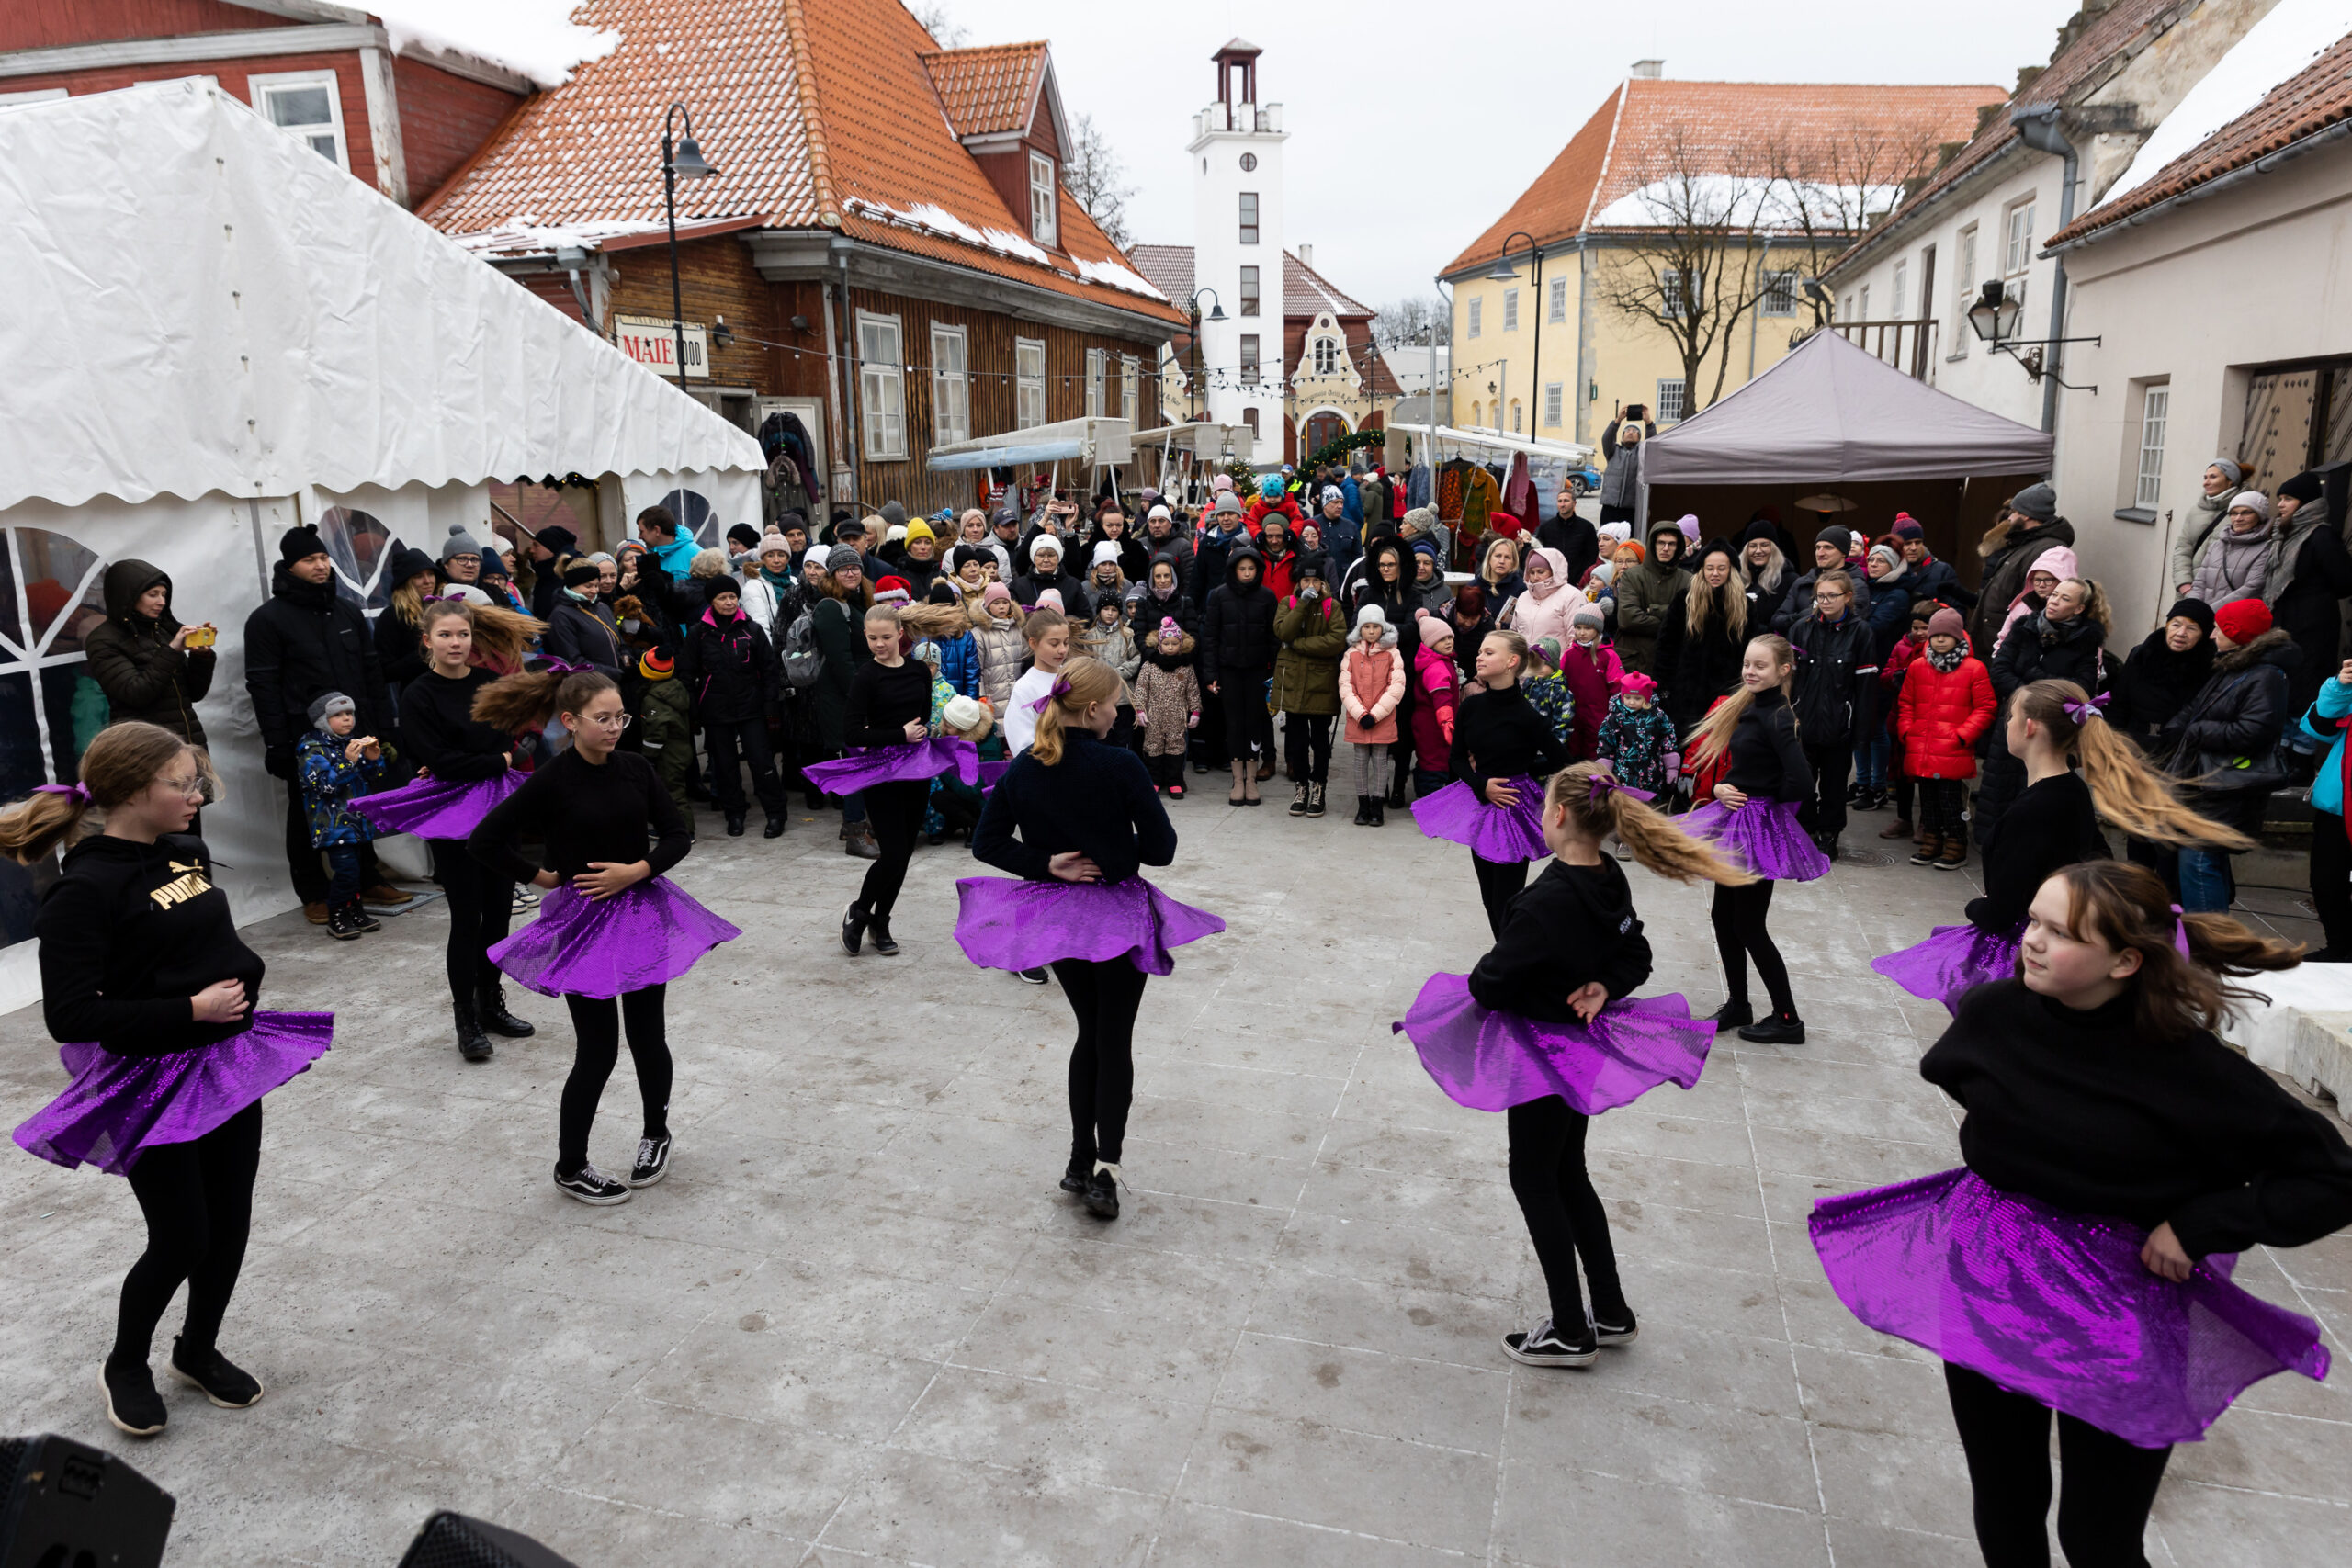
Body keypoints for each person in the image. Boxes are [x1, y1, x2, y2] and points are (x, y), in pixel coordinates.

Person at [1812, 860, 2350, 1568]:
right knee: (2006, 1498)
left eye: (2058, 932)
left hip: (2123, 1300)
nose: (2031, 939)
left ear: (2125, 960)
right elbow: (1961, 1078)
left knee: (2097, 1536)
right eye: (2033, 919)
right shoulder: (1995, 1011)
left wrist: (2201, 1223)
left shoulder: (2189, 1065)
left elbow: (2330, 1177)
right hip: (1992, 1270)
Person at [7, 722, 331, 1437]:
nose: (197, 794)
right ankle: (127, 1362)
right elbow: (70, 1015)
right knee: (183, 1233)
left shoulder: (185, 850)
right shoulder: (82, 892)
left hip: (222, 1062)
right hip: (147, 1081)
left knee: (231, 1219)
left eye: (196, 780)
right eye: (181, 783)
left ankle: (198, 1348)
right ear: (130, 791)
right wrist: (190, 1006)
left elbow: (195, 936)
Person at [1396, 762, 1749, 1365]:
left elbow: (1494, 980)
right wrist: (1605, 985)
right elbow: (1634, 949)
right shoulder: (1608, 876)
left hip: (1541, 1054)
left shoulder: (1545, 900)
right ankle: (1609, 1310)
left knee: (1534, 1177)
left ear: (1557, 815)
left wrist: (1478, 984)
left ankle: (1569, 1326)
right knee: (1567, 1173)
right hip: (1578, 1049)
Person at [959, 657, 1220, 1219]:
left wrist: (1047, 863)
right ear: (1097, 709)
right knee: (1113, 1038)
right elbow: (1162, 850)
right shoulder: (1120, 764)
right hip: (1117, 917)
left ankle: (1079, 1161)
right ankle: (1105, 1170)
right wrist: (1115, 841)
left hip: (1059, 918)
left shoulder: (1027, 765)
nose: (1119, 712)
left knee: (1089, 1033)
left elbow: (988, 843)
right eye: (1118, 703)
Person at [469, 670, 737, 1205]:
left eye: (621, 717)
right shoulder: (551, 779)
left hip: (641, 915)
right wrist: (541, 877)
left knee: (647, 1034)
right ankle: (571, 1165)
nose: (615, 727)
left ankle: (655, 1134)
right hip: (582, 923)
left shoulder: (636, 769)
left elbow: (679, 833)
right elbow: (484, 840)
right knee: (597, 1050)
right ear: (569, 722)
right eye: (603, 719)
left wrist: (637, 870)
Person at [1879, 678, 2253, 1011]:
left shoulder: (2039, 807)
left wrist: (1977, 907)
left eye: (2010, 717)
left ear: (2029, 728)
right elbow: (2092, 859)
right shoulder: (2068, 791)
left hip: (2032, 952)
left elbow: (2007, 906)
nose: (2005, 725)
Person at [243, 525, 401, 922]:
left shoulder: (345, 609)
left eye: (325, 557)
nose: (321, 565)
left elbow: (371, 670)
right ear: (290, 566)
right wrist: (277, 743)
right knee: (306, 810)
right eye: (310, 559)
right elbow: (262, 683)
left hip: (355, 728)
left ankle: (368, 877)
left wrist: (384, 725)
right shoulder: (267, 620)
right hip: (304, 736)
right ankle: (314, 891)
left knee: (360, 801)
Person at [1679, 635, 1826, 1041]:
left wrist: (1759, 799)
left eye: (1760, 666)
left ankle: (1787, 1019)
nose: (1750, 671)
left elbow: (1800, 782)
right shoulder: (1752, 709)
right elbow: (1754, 765)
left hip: (1756, 830)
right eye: (1747, 663)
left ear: (1783, 670)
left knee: (1748, 924)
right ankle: (1739, 1004)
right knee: (1723, 918)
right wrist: (1727, 786)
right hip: (1739, 821)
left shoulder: (1777, 715)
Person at [1418, 631, 1571, 934]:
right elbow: (1457, 759)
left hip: (1513, 808)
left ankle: (1510, 964)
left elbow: (1559, 759)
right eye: (1480, 652)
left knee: (1507, 899)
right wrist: (1480, 784)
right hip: (1480, 804)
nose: (1479, 657)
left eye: (1489, 652)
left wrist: (1525, 773)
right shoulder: (1472, 707)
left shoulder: (1528, 716)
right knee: (1489, 898)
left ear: (1512, 662)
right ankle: (1506, 960)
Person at [2160, 596, 2295, 912]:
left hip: (2226, 785)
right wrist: (2176, 727)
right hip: (2207, 780)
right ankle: (2211, 939)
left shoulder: (2265, 676)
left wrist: (2195, 731)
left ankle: (2210, 941)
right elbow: (2197, 708)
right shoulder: (2233, 664)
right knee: (2201, 859)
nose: (2211, 635)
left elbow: (2254, 731)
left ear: (2237, 633)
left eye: (2218, 628)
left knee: (2200, 860)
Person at [1979, 575, 2108, 847]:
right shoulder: (2024, 626)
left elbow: (2080, 688)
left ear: (2079, 608)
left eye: (2064, 598)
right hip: (2013, 720)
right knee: (2000, 784)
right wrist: (2030, 696)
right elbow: (2000, 670)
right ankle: (1996, 843)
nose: (2054, 601)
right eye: (2054, 594)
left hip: (2050, 730)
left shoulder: (2086, 640)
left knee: (2037, 790)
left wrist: (2031, 679)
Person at [682, 576, 786, 839]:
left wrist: (771, 704)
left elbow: (769, 669)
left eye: (732, 596)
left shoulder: (751, 629)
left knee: (762, 763)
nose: (729, 602)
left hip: (751, 706)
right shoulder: (699, 633)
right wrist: (693, 710)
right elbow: (686, 673)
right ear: (712, 602)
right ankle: (734, 814)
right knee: (725, 767)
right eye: (722, 598)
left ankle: (775, 813)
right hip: (716, 709)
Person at [1890, 608, 1995, 870]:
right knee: (1927, 799)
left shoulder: (1974, 668)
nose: (1939, 640)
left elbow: (1986, 707)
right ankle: (1932, 839)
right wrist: (1907, 730)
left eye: (1947, 635)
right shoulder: (1918, 666)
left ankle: (1956, 842)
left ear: (1958, 637)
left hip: (1952, 747)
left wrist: (1963, 735)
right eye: (1936, 635)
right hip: (1922, 746)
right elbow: (1906, 703)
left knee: (1950, 800)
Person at [1783, 570, 1877, 857]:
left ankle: (1830, 833)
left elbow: (1866, 685)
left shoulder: (1861, 632)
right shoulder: (1802, 628)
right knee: (1803, 780)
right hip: (1804, 721)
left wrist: (1861, 731)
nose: (1825, 601)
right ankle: (1806, 829)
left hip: (1840, 723)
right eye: (1820, 596)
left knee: (1835, 784)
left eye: (1832, 596)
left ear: (1848, 597)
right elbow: (1789, 678)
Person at [84, 559, 217, 747]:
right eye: (153, 595)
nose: (161, 602)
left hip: (189, 741)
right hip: (147, 748)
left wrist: (200, 657)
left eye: (164, 594)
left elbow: (194, 693)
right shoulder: (103, 640)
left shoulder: (162, 630)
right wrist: (171, 650)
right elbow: (135, 694)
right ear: (129, 596)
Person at [294, 693, 386, 941]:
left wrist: (374, 760)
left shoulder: (349, 742)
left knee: (356, 871)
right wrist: (348, 762)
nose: (347, 719)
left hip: (356, 822)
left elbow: (371, 777)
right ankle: (336, 916)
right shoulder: (311, 747)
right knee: (346, 871)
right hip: (332, 824)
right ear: (323, 720)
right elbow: (324, 786)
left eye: (349, 713)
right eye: (338, 715)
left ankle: (356, 912)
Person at [809, 546, 877, 858]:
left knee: (861, 762)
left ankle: (856, 824)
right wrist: (860, 700)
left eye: (855, 567)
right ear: (832, 574)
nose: (851, 573)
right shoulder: (830, 608)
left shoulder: (853, 603)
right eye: (843, 569)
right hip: (843, 698)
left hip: (855, 694)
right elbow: (840, 660)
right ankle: (855, 833)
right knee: (857, 765)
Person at [1203, 546, 1279, 804]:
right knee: (1234, 724)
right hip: (1229, 671)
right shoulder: (1219, 596)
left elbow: (1273, 639)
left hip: (1258, 671)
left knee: (1255, 723)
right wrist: (1211, 674)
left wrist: (1275, 674)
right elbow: (1210, 637)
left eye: (1251, 569)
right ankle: (1237, 780)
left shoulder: (1267, 597)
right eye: (1242, 569)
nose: (1247, 573)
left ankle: (1252, 778)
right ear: (1233, 570)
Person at [1273, 553, 1346, 817]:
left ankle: (1319, 786)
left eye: (1315, 581)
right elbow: (1283, 632)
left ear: (1323, 583)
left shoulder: (1332, 607)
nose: (1311, 586)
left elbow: (1336, 641)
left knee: (1320, 740)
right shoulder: (1287, 603)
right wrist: (1301, 606)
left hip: (1320, 683)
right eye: (1306, 580)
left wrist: (1299, 646)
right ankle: (1301, 786)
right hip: (1293, 681)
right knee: (1296, 741)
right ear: (1299, 582)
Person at [1969, 484, 2073, 654]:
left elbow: (2046, 605)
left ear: (2026, 515)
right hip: (1997, 640)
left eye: (2014, 512)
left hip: (2011, 645)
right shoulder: (2026, 544)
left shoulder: (2049, 550)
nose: (2009, 518)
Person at [1660, 540, 1747, 739]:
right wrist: (1664, 689)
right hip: (1683, 694)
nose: (1715, 573)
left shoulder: (1745, 606)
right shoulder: (1684, 600)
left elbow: (1745, 652)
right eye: (1710, 568)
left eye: (1721, 568)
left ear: (1731, 570)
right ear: (1701, 570)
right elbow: (1666, 647)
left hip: (1725, 695)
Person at [2108, 598, 2215, 749]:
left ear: (2204, 634)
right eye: (2176, 625)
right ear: (2167, 626)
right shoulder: (2143, 653)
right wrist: (2112, 739)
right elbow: (2120, 701)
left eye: (2192, 628)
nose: (2181, 633)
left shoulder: (2209, 665)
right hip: (2132, 742)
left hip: (2177, 748)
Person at [2299, 657, 2352, 959]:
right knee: (2326, 880)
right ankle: (2340, 946)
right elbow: (2318, 728)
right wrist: (2341, 687)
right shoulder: (2346, 686)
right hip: (2338, 803)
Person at [1338, 604, 1407, 827]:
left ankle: (1377, 804)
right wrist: (1359, 713)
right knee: (1359, 762)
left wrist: (1375, 714)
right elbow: (1345, 686)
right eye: (1366, 626)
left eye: (1375, 626)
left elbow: (1396, 686)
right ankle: (1363, 804)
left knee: (1380, 762)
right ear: (1360, 629)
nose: (1370, 631)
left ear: (1382, 628)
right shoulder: (1351, 654)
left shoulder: (1393, 653)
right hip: (1358, 719)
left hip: (1382, 719)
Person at [1610, 521, 1690, 677]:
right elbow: (1628, 618)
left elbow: (1690, 620)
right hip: (1633, 663)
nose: (1665, 548)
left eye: (1671, 544)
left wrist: (1653, 610)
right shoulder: (1632, 576)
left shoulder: (1689, 580)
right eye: (1661, 543)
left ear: (1679, 546)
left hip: (1671, 664)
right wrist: (1672, 621)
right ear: (1653, 544)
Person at [1132, 618, 1201, 797]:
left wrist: (1195, 712)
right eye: (1166, 643)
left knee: (1176, 748)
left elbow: (1192, 690)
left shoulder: (1185, 667)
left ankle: (1174, 781)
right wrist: (1139, 710)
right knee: (1153, 747)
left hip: (1177, 717)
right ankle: (1154, 780)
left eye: (1174, 643)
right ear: (1159, 644)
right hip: (1153, 716)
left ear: (1180, 644)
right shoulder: (1149, 666)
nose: (1170, 647)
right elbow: (1140, 690)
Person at [2167, 458, 2248, 597]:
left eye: (2213, 477)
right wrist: (2185, 586)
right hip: (2190, 592)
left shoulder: (2245, 510)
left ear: (2230, 480)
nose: (2206, 482)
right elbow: (2183, 548)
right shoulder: (2196, 511)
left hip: (2222, 595)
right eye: (2205, 477)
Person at [1770, 525, 1873, 633]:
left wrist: (1802, 618)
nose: (1820, 553)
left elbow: (1850, 626)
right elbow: (1777, 621)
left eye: (1828, 547)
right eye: (1818, 547)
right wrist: (1807, 614)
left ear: (1843, 552)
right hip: (1798, 647)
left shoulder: (1855, 585)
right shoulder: (1802, 582)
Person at [1594, 671, 1678, 804]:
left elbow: (1668, 738)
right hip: (1624, 776)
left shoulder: (1658, 716)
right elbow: (1606, 744)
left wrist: (1672, 767)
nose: (1631, 702)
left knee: (1651, 809)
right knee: (1625, 809)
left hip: (1652, 776)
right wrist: (1604, 770)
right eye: (1627, 697)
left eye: (1637, 698)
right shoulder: (1615, 717)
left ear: (1646, 698)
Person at [1004, 606, 1073, 763]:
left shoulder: (1071, 677)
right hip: (1046, 770)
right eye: (1054, 644)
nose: (1062, 650)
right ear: (1033, 643)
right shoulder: (1024, 688)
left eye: (1066, 642)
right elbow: (1021, 745)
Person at [541, 559, 630, 679]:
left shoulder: (602, 607)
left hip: (615, 683)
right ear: (573, 585)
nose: (594, 591)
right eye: (588, 586)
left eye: (596, 585)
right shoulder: (560, 616)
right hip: (590, 687)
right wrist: (614, 674)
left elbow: (619, 642)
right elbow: (573, 662)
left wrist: (626, 657)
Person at [1408, 614, 1462, 799]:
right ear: (1430, 643)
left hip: (1430, 722)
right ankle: (1429, 799)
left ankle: (1426, 794)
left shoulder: (1440, 660)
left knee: (1428, 760)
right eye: (1441, 639)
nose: (1448, 642)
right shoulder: (1436, 667)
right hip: (1434, 725)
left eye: (1450, 638)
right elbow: (1441, 698)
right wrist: (1447, 723)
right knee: (1434, 763)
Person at [1559, 605, 1622, 763]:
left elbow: (1617, 687)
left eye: (1587, 628)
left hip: (1598, 715)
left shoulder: (1608, 655)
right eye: (1578, 628)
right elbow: (1560, 682)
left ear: (1598, 630)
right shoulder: (1569, 654)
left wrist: (1614, 715)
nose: (1582, 632)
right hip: (1573, 714)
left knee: (1595, 754)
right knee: (1573, 752)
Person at [1499, 545, 1589, 653]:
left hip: (1556, 666)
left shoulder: (1573, 596)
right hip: (1524, 666)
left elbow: (1576, 638)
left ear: (1554, 571)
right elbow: (1514, 633)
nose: (1535, 577)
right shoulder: (1524, 597)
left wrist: (1565, 666)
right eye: (1531, 572)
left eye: (1541, 572)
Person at [1888, 515, 1974, 611]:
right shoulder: (1886, 570)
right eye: (1907, 543)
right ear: (1896, 546)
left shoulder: (1943, 570)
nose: (1913, 548)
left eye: (1918, 542)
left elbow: (1957, 610)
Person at [636, 504, 701, 581]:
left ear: (657, 530)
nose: (639, 537)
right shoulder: (648, 557)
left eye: (641, 531)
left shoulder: (698, 557)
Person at [1596, 420, 1642, 525]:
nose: (1630, 432)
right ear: (1622, 436)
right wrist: (1617, 421)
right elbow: (1606, 438)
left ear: (1639, 437)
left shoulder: (1642, 452)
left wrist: (1649, 423)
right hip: (1610, 507)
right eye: (1627, 430)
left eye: (1634, 431)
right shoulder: (1613, 451)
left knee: (1629, 540)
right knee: (1607, 538)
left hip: (1631, 509)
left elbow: (1652, 443)